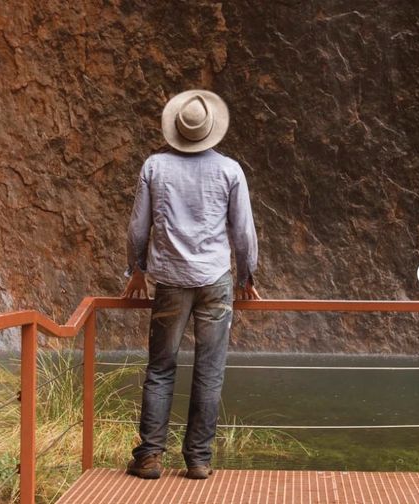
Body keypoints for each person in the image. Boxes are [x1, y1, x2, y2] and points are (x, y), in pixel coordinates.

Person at [122, 89, 261, 481]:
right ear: (211, 130)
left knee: (161, 369)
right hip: (215, 280)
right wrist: (246, 277)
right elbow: (243, 233)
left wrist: (136, 270)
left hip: (168, 279)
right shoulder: (230, 170)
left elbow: (137, 227)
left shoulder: (154, 166)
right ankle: (198, 460)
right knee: (209, 370)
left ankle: (149, 456)